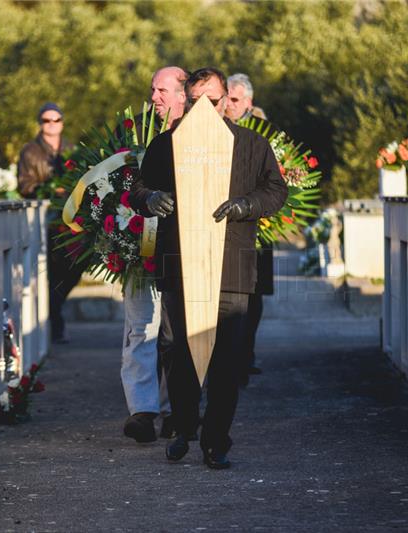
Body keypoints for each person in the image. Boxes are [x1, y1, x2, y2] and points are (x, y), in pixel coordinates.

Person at [130, 67, 287, 469]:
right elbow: (139, 189)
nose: (206, 108)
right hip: (179, 266)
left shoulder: (252, 144)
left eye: (213, 101)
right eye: (197, 100)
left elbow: (275, 190)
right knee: (178, 351)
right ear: (188, 100)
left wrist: (245, 205)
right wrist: (151, 200)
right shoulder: (166, 145)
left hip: (231, 268)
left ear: (225, 102)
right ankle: (183, 428)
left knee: (227, 359)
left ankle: (216, 440)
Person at [121, 66, 188, 444]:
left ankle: (178, 411)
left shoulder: (200, 138)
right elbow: (131, 187)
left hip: (182, 251)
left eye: (163, 90)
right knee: (141, 329)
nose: (154, 98)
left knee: (176, 336)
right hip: (141, 246)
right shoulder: (134, 131)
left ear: (184, 95)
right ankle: (143, 412)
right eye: (152, 90)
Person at [18, 102, 84, 345]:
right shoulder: (30, 152)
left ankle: (54, 312)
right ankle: (55, 323)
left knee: (75, 267)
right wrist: (48, 190)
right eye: (47, 120)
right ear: (40, 123)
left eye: (56, 120)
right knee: (54, 271)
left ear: (62, 123)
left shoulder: (72, 149)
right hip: (46, 219)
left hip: (71, 218)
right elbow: (24, 185)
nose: (51, 124)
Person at [226, 73, 275, 386]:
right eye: (226, 99)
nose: (229, 105)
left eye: (235, 99)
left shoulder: (266, 133)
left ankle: (246, 353)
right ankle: (232, 356)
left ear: (249, 102)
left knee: (254, 294)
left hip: (259, 225)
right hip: (232, 226)